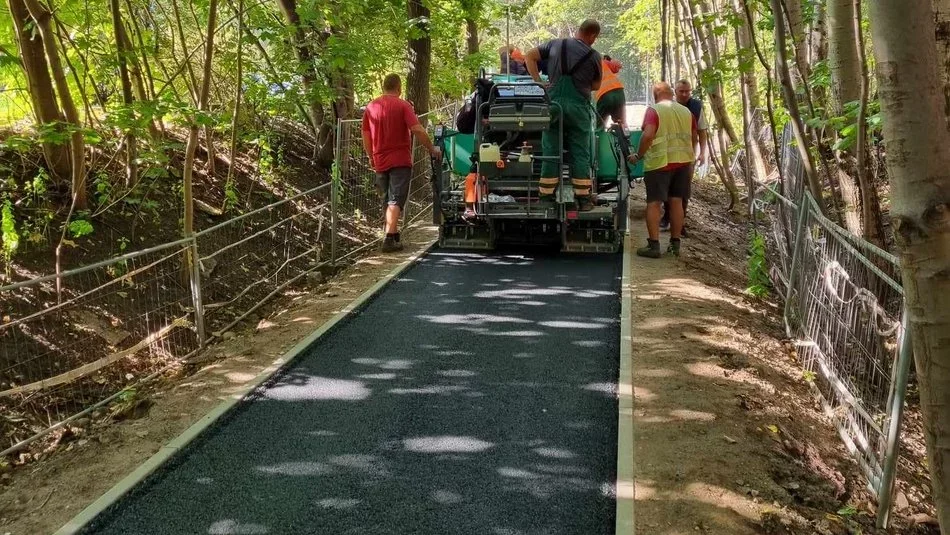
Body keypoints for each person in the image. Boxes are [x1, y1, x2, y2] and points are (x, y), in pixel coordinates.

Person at [524, 19, 603, 211]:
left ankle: (545, 197)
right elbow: (596, 85)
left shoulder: (555, 44)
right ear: (592, 35)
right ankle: (583, 199)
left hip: (554, 105)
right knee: (580, 152)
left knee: (551, 149)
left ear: (578, 30)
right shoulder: (594, 55)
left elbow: (529, 56)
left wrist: (538, 81)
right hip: (578, 108)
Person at [361, 74, 442, 253]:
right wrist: (431, 148)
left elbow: (366, 134)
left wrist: (370, 156)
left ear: (383, 87)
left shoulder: (371, 107)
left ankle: (393, 233)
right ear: (399, 88)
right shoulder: (403, 105)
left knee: (386, 199)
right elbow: (417, 129)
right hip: (400, 160)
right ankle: (389, 238)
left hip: (380, 159)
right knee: (396, 199)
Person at [627, 82, 698, 258]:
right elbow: (694, 137)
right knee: (677, 202)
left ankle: (654, 246)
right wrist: (690, 158)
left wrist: (638, 155)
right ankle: (675, 245)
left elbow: (648, 135)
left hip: (660, 164)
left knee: (654, 203)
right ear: (672, 93)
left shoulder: (654, 111)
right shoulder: (686, 112)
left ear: (655, 95)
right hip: (683, 163)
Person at [660, 79, 709, 235]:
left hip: (688, 156)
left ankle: (680, 223)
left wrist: (702, 153)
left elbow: (702, 131)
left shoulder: (696, 107)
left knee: (684, 191)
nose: (685, 94)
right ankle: (667, 217)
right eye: (681, 91)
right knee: (668, 188)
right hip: (669, 154)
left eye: (688, 91)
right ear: (675, 92)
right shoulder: (667, 106)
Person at [595, 55, 626, 128]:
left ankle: (600, 134)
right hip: (619, 91)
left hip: (604, 95)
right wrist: (609, 62)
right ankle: (622, 134)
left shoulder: (585, 66)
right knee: (621, 125)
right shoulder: (603, 62)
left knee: (599, 126)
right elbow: (618, 65)